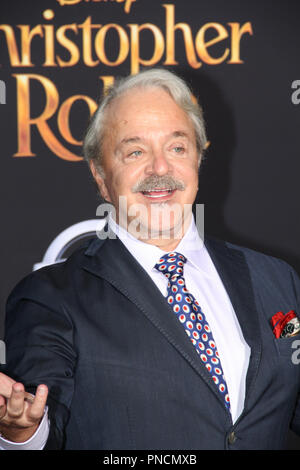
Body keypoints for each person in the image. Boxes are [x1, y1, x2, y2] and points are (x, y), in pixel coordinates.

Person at [1, 68, 300, 450]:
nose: (161, 169)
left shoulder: (274, 279)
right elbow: (41, 420)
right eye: (135, 151)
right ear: (101, 177)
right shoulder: (49, 297)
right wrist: (21, 431)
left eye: (177, 147)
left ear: (197, 160)